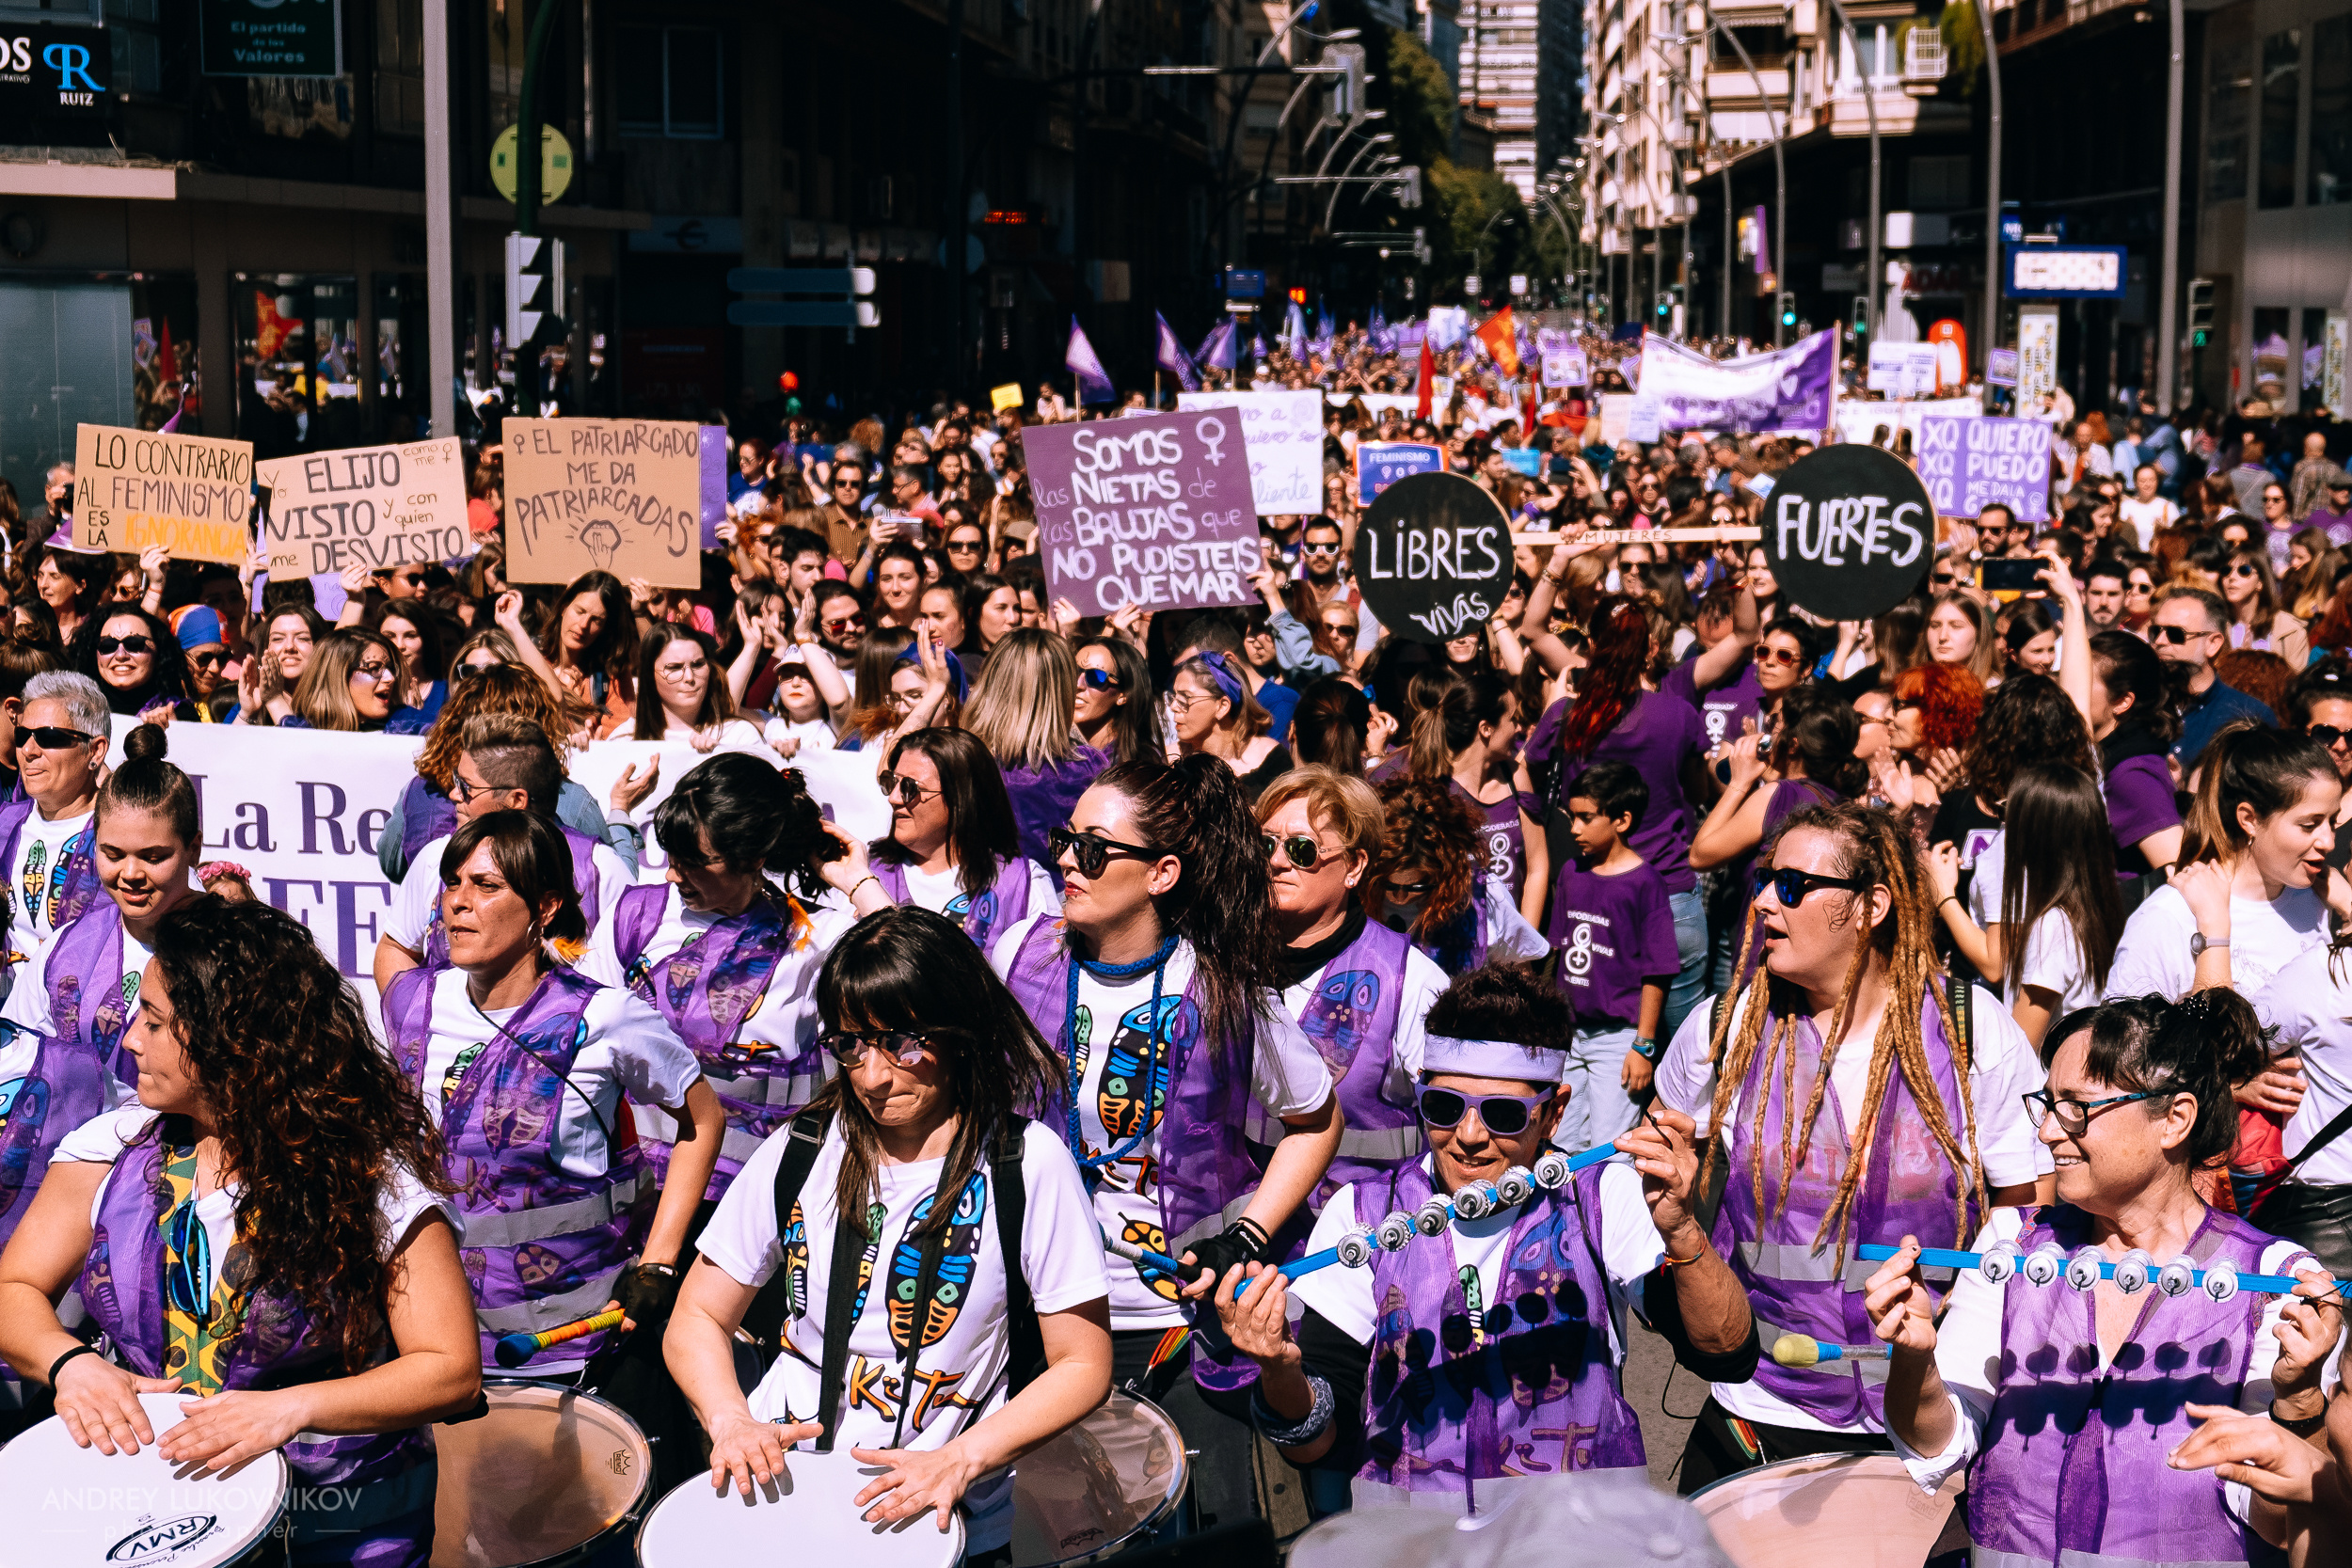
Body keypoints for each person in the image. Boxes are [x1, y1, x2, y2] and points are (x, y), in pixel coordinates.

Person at [0, 896, 481, 1560]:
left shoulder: (369, 1178)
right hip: (165, 1513)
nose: (132, 1038)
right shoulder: (106, 1150)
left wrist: (294, 1408)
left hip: (339, 1526)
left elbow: (450, 1368)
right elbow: (15, 1286)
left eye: (157, 1021)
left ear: (235, 1043)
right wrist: (70, 1363)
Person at [1207, 963, 1758, 1514]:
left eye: (1503, 1114)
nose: (1469, 1138)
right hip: (1418, 1547)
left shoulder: (1599, 1197)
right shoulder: (1363, 1212)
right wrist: (1279, 1370)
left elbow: (1726, 1356)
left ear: (1554, 1113)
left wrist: (1684, 1231)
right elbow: (1317, 1445)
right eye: (1444, 1108)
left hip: (1572, 1541)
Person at [664, 907, 1114, 1557]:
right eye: (849, 1044)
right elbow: (698, 1314)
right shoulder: (803, 1149)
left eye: (902, 1041)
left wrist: (961, 1458)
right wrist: (730, 1418)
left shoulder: (1028, 1162)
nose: (872, 1075)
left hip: (940, 1525)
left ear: (958, 1030)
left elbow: (1083, 1363)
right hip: (782, 1509)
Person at [1866, 990, 2341, 1566]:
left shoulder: (2272, 1285)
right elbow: (1938, 1447)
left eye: (2075, 1107)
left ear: (2174, 1119)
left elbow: (2282, 1525)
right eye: (2045, 1103)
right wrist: (1914, 1361)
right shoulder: (2010, 1247)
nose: (2045, 1132)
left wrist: (2299, 1398)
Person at [1653, 800, 2049, 1490]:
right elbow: (1657, 1158)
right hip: (1761, 1406)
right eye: (1764, 880)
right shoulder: (1727, 1025)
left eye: (1795, 886)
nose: (1765, 903)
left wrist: (1956, 1330)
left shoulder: (1969, 1030)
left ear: (1871, 905)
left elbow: (2027, 1200)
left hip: (1925, 1414)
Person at [992, 756, 1343, 1523]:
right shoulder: (1021, 952)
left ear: (1162, 873)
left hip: (1174, 1324)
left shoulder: (1222, 989)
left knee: (1190, 1541)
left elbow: (1316, 1119)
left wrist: (1247, 1234)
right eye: (1064, 840)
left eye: (1092, 848)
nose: (1065, 861)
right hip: (1042, 1311)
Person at [382, 810, 725, 1377]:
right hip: (438, 1354)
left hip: (572, 1349)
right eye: (452, 883)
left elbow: (702, 1122)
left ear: (544, 908)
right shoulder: (411, 1003)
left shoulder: (607, 1017)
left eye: (486, 886)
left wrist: (660, 1263)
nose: (457, 903)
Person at [1255, 768, 1450, 1220]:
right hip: (1234, 1257)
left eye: (1302, 849)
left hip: (1356, 1253)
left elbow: (1456, 1131)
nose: (1277, 862)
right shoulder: (1221, 964)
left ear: (1355, 867)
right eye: (1266, 844)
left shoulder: (1411, 982)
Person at [373, 716, 637, 989]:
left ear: (516, 801)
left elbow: (635, 970)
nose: (453, 794)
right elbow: (396, 949)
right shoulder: (437, 857)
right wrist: (412, 1024)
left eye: (467, 787)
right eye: (454, 884)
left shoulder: (600, 870)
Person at [2106, 722, 2338, 1002]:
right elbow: (2121, 1039)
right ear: (2249, 820)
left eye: (2332, 821)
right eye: (2309, 825)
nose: (2329, 842)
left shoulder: (2320, 901)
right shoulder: (2171, 916)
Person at [378, 662, 640, 883]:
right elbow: (619, 888)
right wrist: (619, 813)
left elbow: (392, 862)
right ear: (537, 723)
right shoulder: (568, 797)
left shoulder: (421, 787)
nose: (459, 795)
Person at [1931, 763, 2124, 1045]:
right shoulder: (2092, 907)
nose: (2003, 828)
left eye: (2009, 816)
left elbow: (2021, 1049)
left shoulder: (2052, 928)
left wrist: (1944, 895)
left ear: (2036, 837)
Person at [1549, 761, 1679, 1150]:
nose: (1574, 828)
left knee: (1610, 1149)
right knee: (1559, 1141)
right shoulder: (1571, 871)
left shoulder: (1645, 883)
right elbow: (1557, 951)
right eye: (1572, 816)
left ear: (1621, 820)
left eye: (1586, 818)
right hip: (1568, 1035)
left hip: (1618, 1040)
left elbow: (1657, 972)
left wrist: (1643, 1046)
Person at [868, 727, 1059, 949]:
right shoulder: (868, 872)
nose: (893, 798)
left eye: (910, 788)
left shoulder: (1021, 883)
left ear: (961, 799)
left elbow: (1045, 975)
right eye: (891, 782)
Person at [962, 629, 1112, 871]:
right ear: (1061, 690)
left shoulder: (963, 758)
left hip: (981, 898)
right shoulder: (1087, 767)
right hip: (1061, 897)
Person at [1364, 778, 1549, 972]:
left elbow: (1519, 971)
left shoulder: (1484, 899)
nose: (1400, 898)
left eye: (1416, 887)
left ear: (1445, 872)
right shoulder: (1353, 899)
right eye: (1388, 885)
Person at [1410, 671, 1548, 928]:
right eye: (1513, 720)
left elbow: (1538, 866)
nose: (1519, 728)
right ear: (1486, 728)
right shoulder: (1434, 786)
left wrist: (1525, 945)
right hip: (1451, 948)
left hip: (1509, 954)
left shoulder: (1517, 776)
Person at [2, 671, 107, 972]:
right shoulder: (6, 823)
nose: (29, 751)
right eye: (23, 735)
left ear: (95, 750)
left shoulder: (121, 836)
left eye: (49, 737)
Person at [2089, 629, 2186, 885]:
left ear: (2122, 701)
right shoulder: (2106, 758)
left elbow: (2180, 874)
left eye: (2083, 680)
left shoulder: (2130, 775)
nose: (2068, 686)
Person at [2155, 588, 2279, 768]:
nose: (2159, 640)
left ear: (2213, 644)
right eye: (2155, 631)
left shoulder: (2249, 717)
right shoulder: (2136, 706)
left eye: (2175, 634)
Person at [1170, 651, 1292, 799]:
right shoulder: (1169, 759)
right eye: (1174, 696)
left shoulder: (1271, 761)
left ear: (1222, 706)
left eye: (1184, 698)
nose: (1173, 706)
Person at [279, 627, 431, 734]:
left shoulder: (411, 726)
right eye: (374, 668)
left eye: (391, 668)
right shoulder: (297, 733)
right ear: (338, 676)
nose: (390, 678)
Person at [633, 626, 761, 749]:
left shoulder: (738, 735)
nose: (690, 677)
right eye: (674, 667)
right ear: (649, 675)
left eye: (698, 665)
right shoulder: (626, 740)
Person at [71, 602, 196, 721]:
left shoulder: (179, 714)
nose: (120, 655)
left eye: (134, 644)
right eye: (108, 645)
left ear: (159, 652)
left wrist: (175, 732)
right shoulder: (74, 712)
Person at [1073, 634, 1158, 765]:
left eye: (1095, 676)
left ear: (1123, 695)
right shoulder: (1049, 755)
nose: (1078, 685)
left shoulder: (1142, 764)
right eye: (1072, 672)